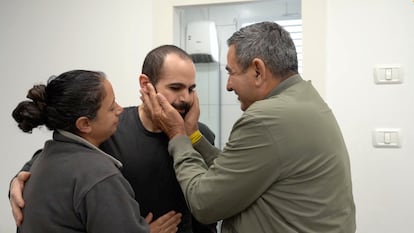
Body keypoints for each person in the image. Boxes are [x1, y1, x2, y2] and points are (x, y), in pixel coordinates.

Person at [142, 21, 356, 233]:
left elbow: (203, 204)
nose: (228, 85)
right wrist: (194, 137)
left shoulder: (266, 119)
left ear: (258, 70)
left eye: (231, 72)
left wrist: (178, 136)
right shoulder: (306, 100)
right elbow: (242, 172)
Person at [9, 45, 217, 233]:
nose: (186, 98)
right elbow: (61, 156)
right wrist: (18, 180)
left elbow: (208, 209)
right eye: (175, 88)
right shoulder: (108, 130)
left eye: (191, 89)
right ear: (146, 84)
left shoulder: (200, 136)